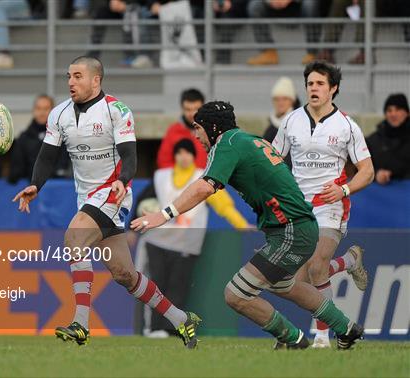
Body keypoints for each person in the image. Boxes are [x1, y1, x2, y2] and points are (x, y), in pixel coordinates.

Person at [132, 101, 365, 350]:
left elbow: (204, 187)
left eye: (197, 128)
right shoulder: (246, 139)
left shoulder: (227, 143)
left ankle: (292, 339)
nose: (195, 135)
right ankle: (347, 328)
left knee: (236, 294)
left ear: (212, 127)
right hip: (295, 228)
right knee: (286, 286)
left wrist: (165, 214)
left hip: (291, 230)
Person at [12, 56, 201, 348]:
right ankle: (181, 319)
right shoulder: (59, 114)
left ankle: (81, 323)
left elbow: (129, 155)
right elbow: (47, 156)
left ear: (96, 80)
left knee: (74, 237)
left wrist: (122, 179)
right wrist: (36, 183)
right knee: (124, 274)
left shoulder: (116, 110)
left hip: (113, 192)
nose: (70, 82)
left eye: (77, 76)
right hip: (86, 198)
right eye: (68, 76)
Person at [272, 61, 374, 348]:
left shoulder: (347, 126)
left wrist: (343, 189)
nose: (313, 88)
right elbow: (274, 160)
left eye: (319, 83)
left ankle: (322, 338)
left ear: (333, 89)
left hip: (330, 204)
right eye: (310, 84)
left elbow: (367, 171)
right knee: (294, 280)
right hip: (297, 207)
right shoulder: (291, 121)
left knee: (317, 266)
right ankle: (349, 262)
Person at [140, 138, 250, 336]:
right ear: (174, 156)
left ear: (193, 156)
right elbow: (143, 201)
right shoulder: (161, 176)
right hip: (158, 240)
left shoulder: (203, 178)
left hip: (186, 242)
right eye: (179, 153)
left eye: (187, 153)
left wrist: (242, 225)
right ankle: (154, 328)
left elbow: (223, 205)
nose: (183, 157)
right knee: (156, 285)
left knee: (178, 286)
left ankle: (171, 328)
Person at [246, 0, 321, 66]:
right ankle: (268, 52)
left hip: (299, 5)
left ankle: (313, 53)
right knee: (255, 5)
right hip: (274, 6)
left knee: (310, 3)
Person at [8, 94, 56, 183]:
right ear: (33, 110)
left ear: (53, 111)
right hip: (29, 189)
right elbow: (15, 171)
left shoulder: (62, 137)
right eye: (38, 108)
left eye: (46, 109)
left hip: (54, 190)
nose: (42, 112)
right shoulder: (23, 138)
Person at [157, 88, 207, 169]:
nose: (192, 113)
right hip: (180, 180)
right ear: (182, 109)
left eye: (196, 109)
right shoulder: (173, 131)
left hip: (207, 179)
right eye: (188, 109)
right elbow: (164, 162)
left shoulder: (211, 131)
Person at [366, 93, 410, 184]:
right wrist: (376, 174)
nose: (393, 114)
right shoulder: (372, 141)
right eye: (389, 110)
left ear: (407, 113)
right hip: (381, 194)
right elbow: (361, 169)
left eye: (398, 109)